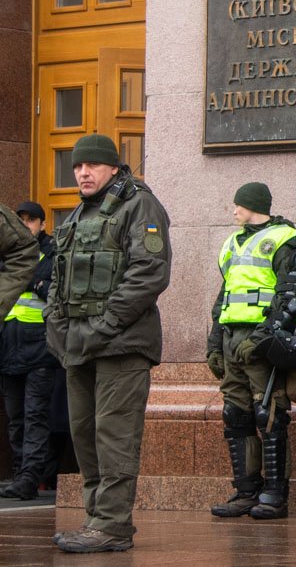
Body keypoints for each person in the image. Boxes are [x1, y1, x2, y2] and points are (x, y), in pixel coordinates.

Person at [46, 134, 171, 553]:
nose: (82, 172)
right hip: (78, 344)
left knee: (114, 436)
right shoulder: (79, 213)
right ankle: (96, 518)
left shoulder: (140, 206)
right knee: (85, 436)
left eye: (92, 166)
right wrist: (55, 324)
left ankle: (113, 523)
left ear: (113, 168)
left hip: (121, 344)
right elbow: (57, 278)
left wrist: (105, 325)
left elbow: (149, 273)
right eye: (78, 167)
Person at [206, 182, 296, 521]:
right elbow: (224, 296)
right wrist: (214, 342)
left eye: (239, 203)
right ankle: (245, 490)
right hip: (231, 337)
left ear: (254, 205)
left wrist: (265, 336)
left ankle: (275, 494)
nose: (234, 209)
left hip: (262, 342)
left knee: (269, 416)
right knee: (235, 416)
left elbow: (289, 298)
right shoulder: (232, 243)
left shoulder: (287, 240)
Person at [0, 202, 56, 500]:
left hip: (40, 348)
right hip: (9, 347)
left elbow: (55, 290)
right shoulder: (7, 255)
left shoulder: (51, 253)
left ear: (42, 225)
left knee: (35, 415)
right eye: (20, 220)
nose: (25, 225)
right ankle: (21, 471)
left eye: (31, 220)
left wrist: (35, 281)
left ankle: (30, 477)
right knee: (15, 417)